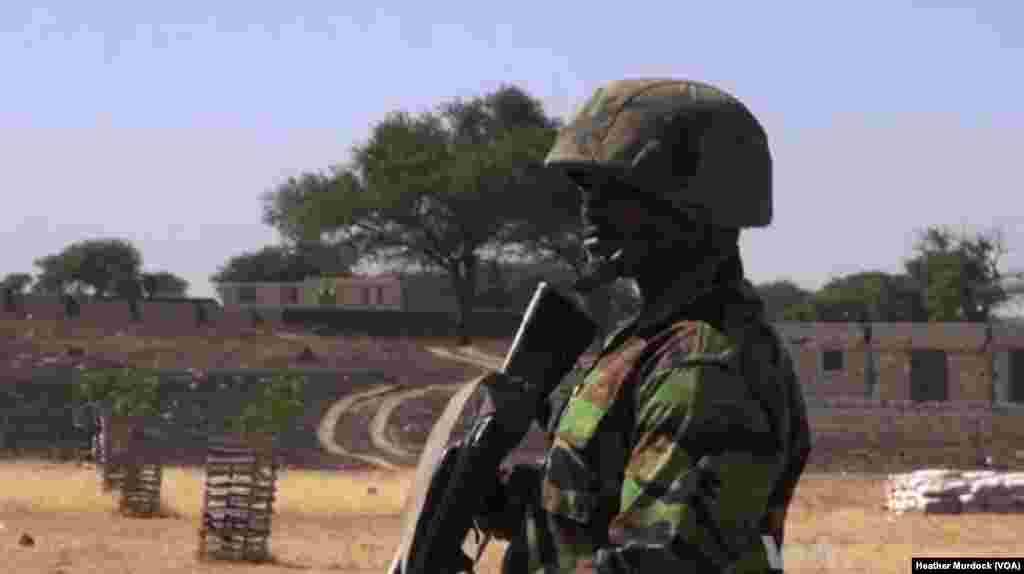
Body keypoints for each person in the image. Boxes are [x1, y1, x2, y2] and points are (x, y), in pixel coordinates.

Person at [473, 79, 812, 574]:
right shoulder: (651, 341)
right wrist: (510, 504)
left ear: (694, 209)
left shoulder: (699, 366)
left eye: (617, 191)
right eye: (586, 188)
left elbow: (662, 560)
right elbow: (601, 506)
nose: (590, 207)